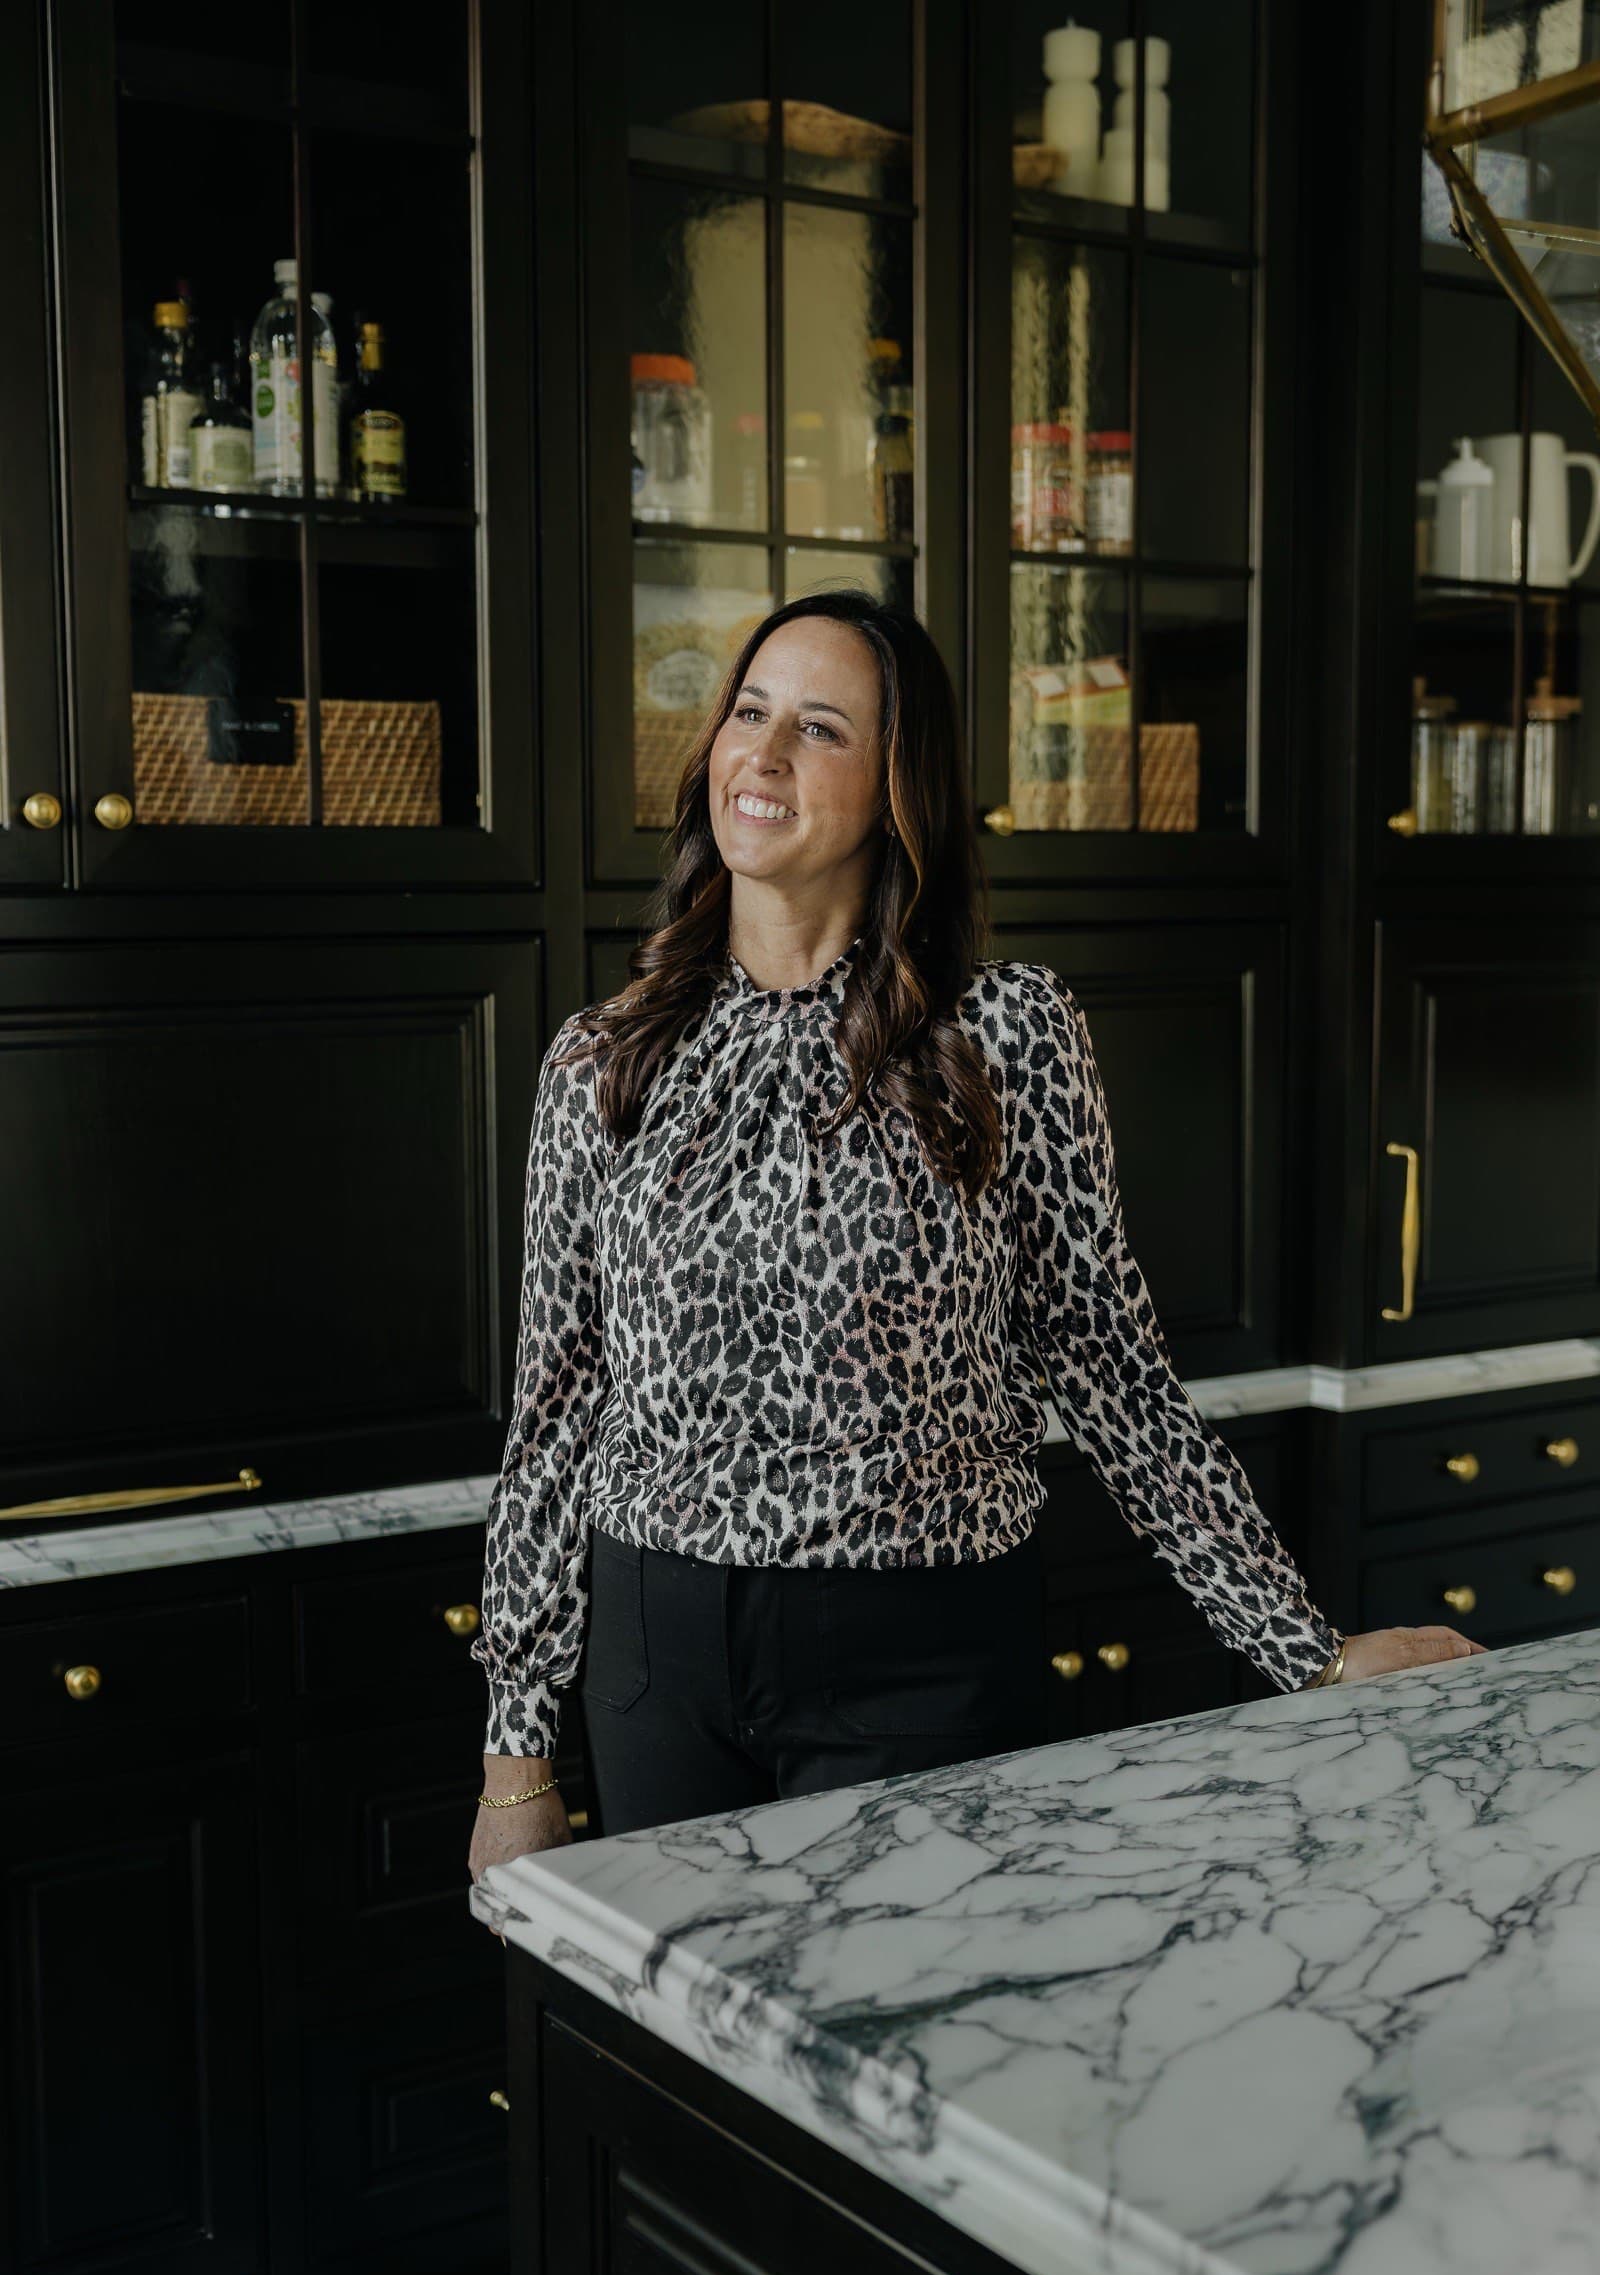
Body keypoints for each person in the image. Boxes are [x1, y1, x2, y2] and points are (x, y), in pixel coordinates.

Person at [467, 590, 1485, 1874]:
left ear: (901, 788)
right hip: (655, 1652)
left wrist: (1306, 1649)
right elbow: (557, 1412)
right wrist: (516, 1764)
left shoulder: (1003, 1035)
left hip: (920, 1653)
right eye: (748, 711)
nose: (764, 754)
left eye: (821, 727)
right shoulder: (601, 1060)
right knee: (688, 2065)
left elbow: (1111, 1371)